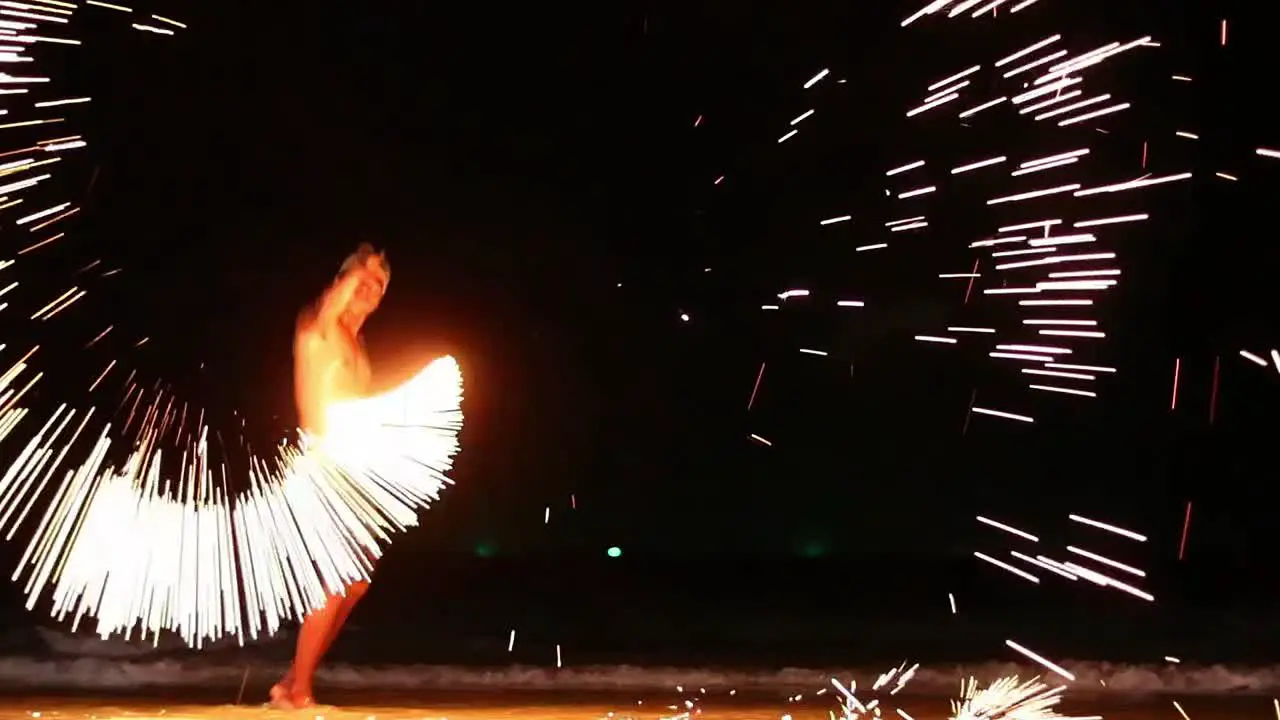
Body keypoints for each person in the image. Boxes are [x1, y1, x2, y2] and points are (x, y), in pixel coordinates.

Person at [271, 243, 392, 709]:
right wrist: (359, 267)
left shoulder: (358, 344)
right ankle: (297, 691)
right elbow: (337, 296)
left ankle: (291, 681)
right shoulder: (319, 326)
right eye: (360, 280)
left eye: (378, 284)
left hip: (349, 473)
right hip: (318, 467)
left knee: (356, 583)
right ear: (340, 283)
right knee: (336, 580)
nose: (368, 289)